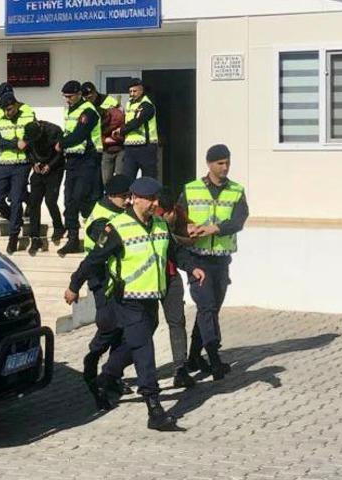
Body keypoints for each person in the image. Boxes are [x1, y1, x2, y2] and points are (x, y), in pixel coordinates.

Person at [65, 177, 206, 431]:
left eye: (156, 199)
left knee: (135, 342)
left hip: (151, 298)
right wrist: (74, 285)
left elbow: (175, 252)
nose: (155, 203)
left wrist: (192, 267)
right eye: (150, 199)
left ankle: (105, 376)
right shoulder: (117, 227)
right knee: (144, 350)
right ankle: (154, 408)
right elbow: (94, 259)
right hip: (127, 300)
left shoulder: (161, 224)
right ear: (135, 198)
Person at [178, 144, 249, 380]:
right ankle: (214, 357)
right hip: (197, 259)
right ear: (209, 164)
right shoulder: (191, 189)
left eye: (227, 162)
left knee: (210, 310)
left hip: (221, 260)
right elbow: (176, 218)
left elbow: (239, 220)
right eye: (220, 163)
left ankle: (193, 357)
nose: (225, 167)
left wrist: (213, 229)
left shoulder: (237, 191)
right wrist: (187, 227)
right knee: (206, 307)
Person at [79, 174, 132, 405]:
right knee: (110, 326)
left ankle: (112, 376)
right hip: (101, 281)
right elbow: (99, 250)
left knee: (122, 330)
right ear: (112, 196)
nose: (128, 201)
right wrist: (75, 282)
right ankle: (93, 358)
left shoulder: (118, 212)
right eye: (125, 197)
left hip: (115, 281)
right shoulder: (100, 219)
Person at [55, 80, 103, 256]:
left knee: (81, 199)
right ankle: (73, 239)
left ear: (78, 94)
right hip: (73, 160)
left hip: (88, 159)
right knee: (69, 200)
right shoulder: (71, 110)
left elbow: (79, 134)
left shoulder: (88, 111)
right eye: (65, 97)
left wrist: (62, 143)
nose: (67, 100)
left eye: (70, 96)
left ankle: (96, 237)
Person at [156, 189, 196, 388]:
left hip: (171, 277)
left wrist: (192, 268)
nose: (172, 216)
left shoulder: (177, 215)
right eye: (168, 213)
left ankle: (180, 368)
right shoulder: (146, 223)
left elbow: (178, 249)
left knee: (177, 322)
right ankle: (114, 373)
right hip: (146, 283)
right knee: (143, 327)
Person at [0, 91, 36, 254]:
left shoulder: (28, 113)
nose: (7, 113)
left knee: (16, 199)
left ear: (16, 105)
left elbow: (34, 134)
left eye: (9, 109)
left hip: (22, 164)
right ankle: (15, 220)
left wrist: (27, 143)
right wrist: (15, 143)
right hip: (4, 163)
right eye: (5, 110)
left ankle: (13, 236)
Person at [22, 120, 66, 255]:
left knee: (50, 200)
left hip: (55, 168)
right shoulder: (29, 132)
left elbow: (60, 153)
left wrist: (50, 166)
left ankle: (59, 227)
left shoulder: (54, 131)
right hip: (38, 167)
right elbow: (27, 150)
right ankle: (35, 237)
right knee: (34, 202)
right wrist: (34, 163)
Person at [113, 78, 159, 179]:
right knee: (127, 179)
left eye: (135, 91)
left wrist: (121, 130)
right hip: (130, 147)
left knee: (148, 179)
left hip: (146, 147)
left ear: (141, 91)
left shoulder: (146, 105)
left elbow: (136, 122)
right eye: (130, 91)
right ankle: (128, 195)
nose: (132, 94)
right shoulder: (129, 104)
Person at [82, 81, 125, 187]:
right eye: (86, 97)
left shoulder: (109, 102)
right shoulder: (85, 105)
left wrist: (114, 137)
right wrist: (103, 140)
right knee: (104, 179)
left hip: (118, 143)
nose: (89, 98)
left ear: (95, 92)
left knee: (120, 177)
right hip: (101, 146)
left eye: (90, 95)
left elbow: (121, 120)